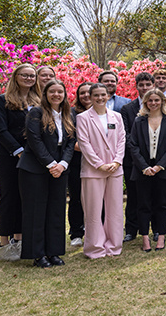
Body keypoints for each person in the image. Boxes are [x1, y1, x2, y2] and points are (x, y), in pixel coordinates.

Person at [18, 80, 75, 268]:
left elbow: (71, 142)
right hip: (35, 168)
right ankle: (38, 254)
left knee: (56, 210)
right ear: (45, 94)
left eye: (60, 92)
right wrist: (51, 164)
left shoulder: (69, 114)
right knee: (36, 211)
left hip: (60, 168)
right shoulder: (36, 112)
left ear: (64, 95)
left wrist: (63, 164)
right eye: (52, 91)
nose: (56, 95)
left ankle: (54, 252)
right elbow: (34, 140)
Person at [0, 64, 39, 261]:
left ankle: (18, 240)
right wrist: (18, 151)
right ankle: (3, 244)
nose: (28, 78)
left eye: (32, 75)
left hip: (32, 155)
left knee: (24, 196)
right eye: (24, 75)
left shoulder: (38, 101)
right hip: (9, 156)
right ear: (16, 77)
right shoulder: (2, 100)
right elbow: (0, 131)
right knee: (9, 196)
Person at [76, 83, 126, 259]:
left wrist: (117, 161)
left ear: (108, 95)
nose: (100, 98)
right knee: (93, 211)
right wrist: (99, 164)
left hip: (114, 169)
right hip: (93, 170)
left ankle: (114, 245)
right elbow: (84, 143)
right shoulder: (83, 118)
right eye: (96, 95)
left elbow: (122, 140)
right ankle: (95, 248)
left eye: (103, 94)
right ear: (90, 97)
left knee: (115, 210)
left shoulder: (116, 116)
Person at [128, 88, 166, 252]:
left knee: (163, 204)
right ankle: (145, 238)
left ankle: (161, 237)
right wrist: (144, 167)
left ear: (162, 101)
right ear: (145, 102)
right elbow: (133, 145)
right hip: (143, 169)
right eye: (150, 100)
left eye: (157, 100)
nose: (153, 103)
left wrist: (159, 166)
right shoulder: (139, 121)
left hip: (163, 169)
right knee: (143, 205)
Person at [120, 73, 156, 243]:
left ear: (153, 85)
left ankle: (156, 229)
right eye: (141, 85)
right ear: (136, 87)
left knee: (155, 196)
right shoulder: (127, 109)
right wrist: (139, 155)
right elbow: (126, 135)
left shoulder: (158, 106)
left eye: (148, 84)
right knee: (133, 196)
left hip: (155, 160)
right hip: (133, 160)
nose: (144, 88)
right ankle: (131, 230)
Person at [68, 82, 93, 247]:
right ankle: (76, 232)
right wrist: (90, 151)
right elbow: (70, 139)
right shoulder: (71, 114)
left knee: (97, 198)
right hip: (76, 161)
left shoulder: (103, 113)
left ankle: (96, 230)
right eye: (82, 93)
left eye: (89, 92)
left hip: (99, 163)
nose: (86, 95)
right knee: (76, 197)